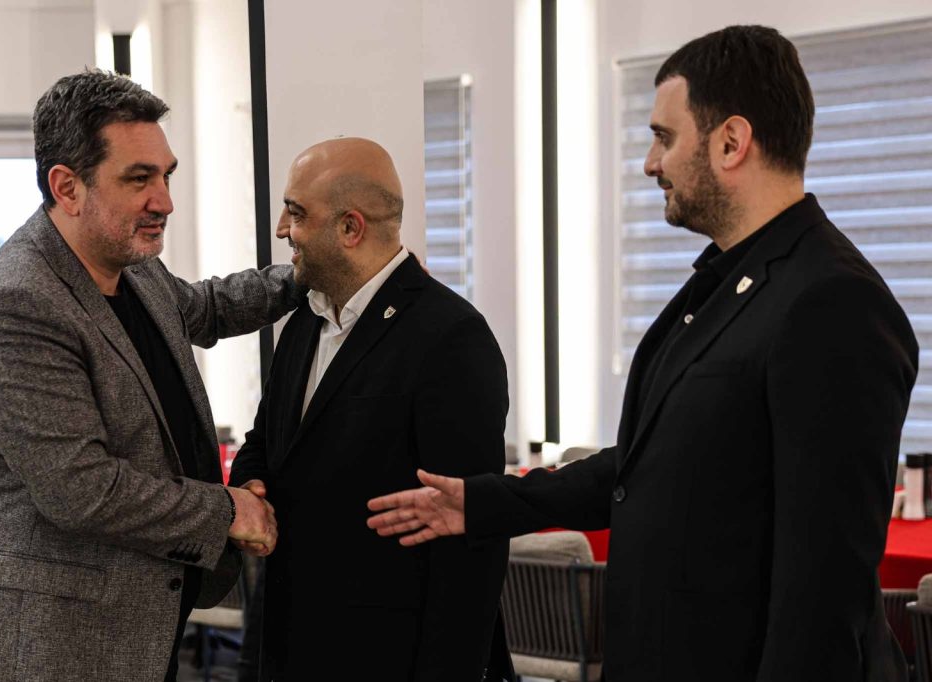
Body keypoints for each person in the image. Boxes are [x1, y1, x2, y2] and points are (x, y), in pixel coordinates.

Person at [367, 25, 919, 682]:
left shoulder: (832, 302)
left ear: (731, 142)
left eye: (664, 137)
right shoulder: (720, 285)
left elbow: (823, 591)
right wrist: (484, 505)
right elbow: (643, 469)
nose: (651, 163)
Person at [0, 70, 300, 681]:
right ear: (67, 187)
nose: (164, 201)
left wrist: (308, 275)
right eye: (139, 179)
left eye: (166, 176)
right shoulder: (14, 304)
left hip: (134, 626)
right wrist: (227, 510)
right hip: (51, 648)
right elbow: (83, 491)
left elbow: (207, 307)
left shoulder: (131, 267)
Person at [227, 137, 513, 681]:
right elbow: (266, 440)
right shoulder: (304, 323)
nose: (283, 230)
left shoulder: (451, 336)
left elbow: (471, 541)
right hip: (293, 645)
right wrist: (251, 484)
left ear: (350, 228)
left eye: (296, 213)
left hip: (389, 657)